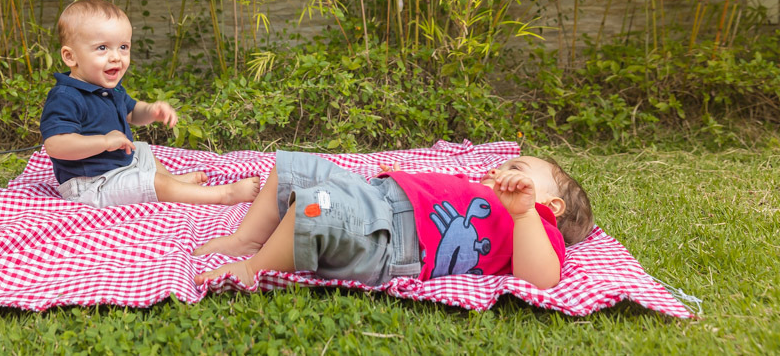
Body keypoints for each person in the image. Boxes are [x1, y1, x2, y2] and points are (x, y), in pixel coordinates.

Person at [193, 151, 593, 290]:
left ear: (552, 204)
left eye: (516, 169)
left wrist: (524, 214)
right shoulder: (484, 191)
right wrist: (406, 178)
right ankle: (247, 239)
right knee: (291, 170)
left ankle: (253, 268)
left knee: (315, 209)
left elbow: (539, 279)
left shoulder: (536, 222)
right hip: (377, 197)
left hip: (390, 238)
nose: (499, 172)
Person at [41, 0, 259, 208]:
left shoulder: (109, 89)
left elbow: (132, 113)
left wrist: (152, 111)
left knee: (142, 151)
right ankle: (223, 194)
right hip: (90, 184)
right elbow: (56, 145)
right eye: (102, 48)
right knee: (156, 183)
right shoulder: (66, 96)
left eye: (123, 47)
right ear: (70, 57)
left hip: (117, 168)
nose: (116, 57)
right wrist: (104, 142)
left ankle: (175, 183)